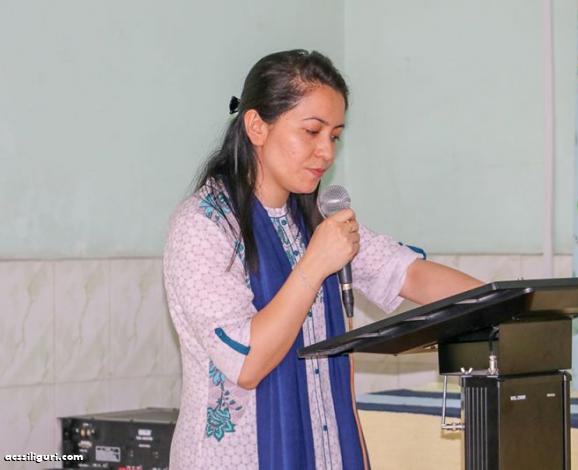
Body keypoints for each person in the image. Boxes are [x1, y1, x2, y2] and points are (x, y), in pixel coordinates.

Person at [163, 49, 483, 470]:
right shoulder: (204, 225)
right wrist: (314, 265)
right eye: (312, 131)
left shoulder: (315, 216)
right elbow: (247, 362)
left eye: (334, 136)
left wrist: (513, 306)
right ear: (257, 126)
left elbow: (408, 274)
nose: (327, 153)